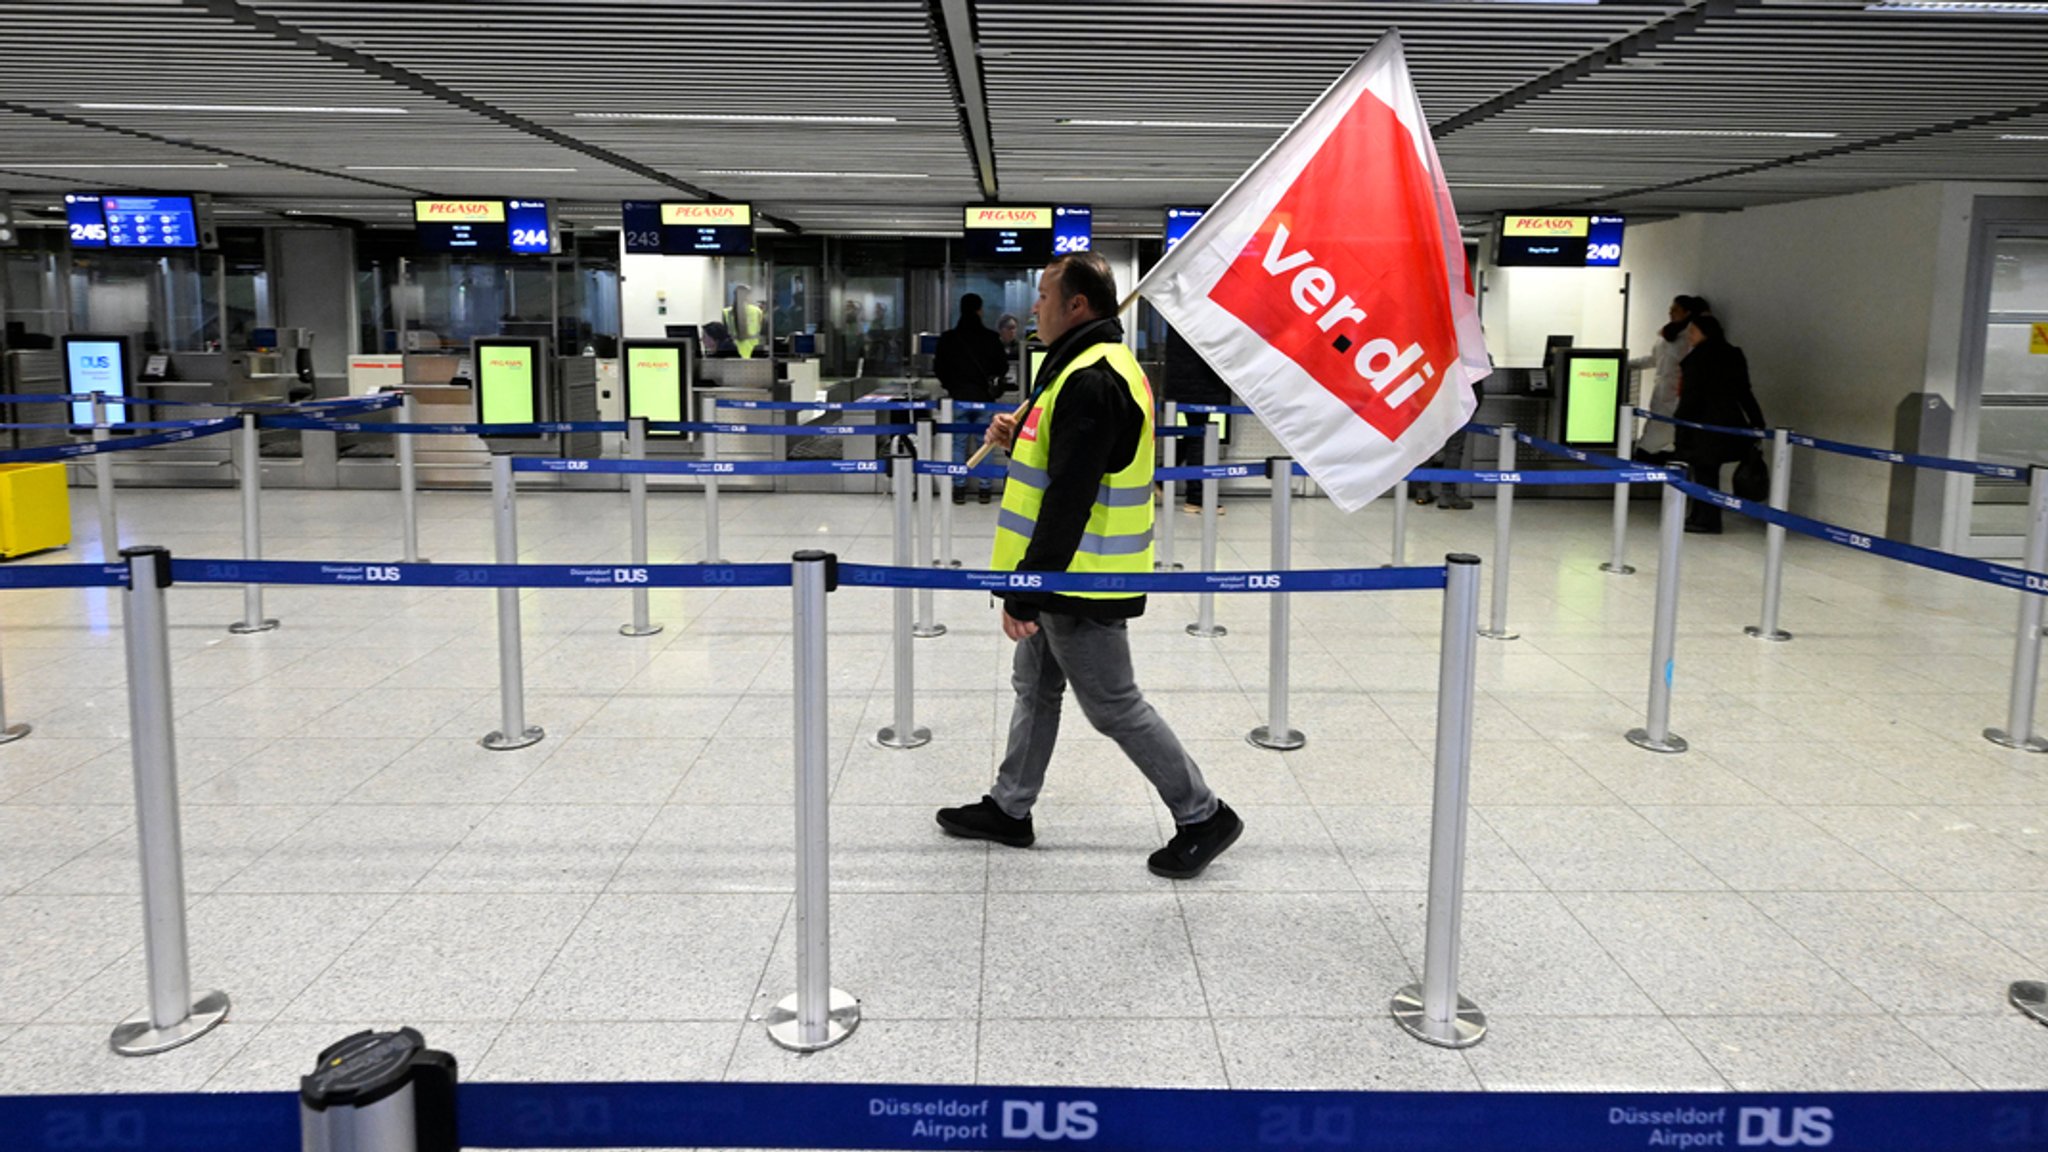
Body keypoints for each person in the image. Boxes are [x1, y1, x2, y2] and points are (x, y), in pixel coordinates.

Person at [936, 251, 1241, 880]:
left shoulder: (1094, 377)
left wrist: (1028, 588)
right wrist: (1017, 431)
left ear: (1078, 306)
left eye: (1045, 296)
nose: (1034, 308)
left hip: (1080, 578)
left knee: (1113, 705)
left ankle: (1203, 814)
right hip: (1061, 573)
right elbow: (1060, 456)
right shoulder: (1074, 366)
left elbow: (1070, 493)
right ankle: (1009, 808)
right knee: (1036, 688)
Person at [1673, 313, 1764, 534]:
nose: (1689, 337)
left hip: (1702, 424)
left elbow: (1691, 396)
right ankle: (1701, 516)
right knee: (1708, 471)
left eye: (1693, 332)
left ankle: (1706, 519)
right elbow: (1744, 391)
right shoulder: (1733, 355)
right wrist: (1757, 421)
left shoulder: (1697, 359)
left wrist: (1679, 421)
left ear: (1705, 333)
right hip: (1729, 422)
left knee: (1704, 471)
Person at [933, 292, 1008, 504]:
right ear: (979, 310)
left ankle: (959, 488)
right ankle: (985, 489)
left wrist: (951, 385)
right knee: (986, 442)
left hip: (958, 398)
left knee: (958, 443)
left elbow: (939, 368)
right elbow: (1001, 367)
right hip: (984, 398)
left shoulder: (949, 338)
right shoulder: (990, 338)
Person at [1163, 325, 1234, 514]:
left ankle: (1162, 478)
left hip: (1188, 380)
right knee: (1198, 436)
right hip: (1199, 380)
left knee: (1194, 432)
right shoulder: (1199, 317)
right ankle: (1196, 497)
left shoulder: (1180, 315)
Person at [1630, 295, 1707, 461]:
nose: (1670, 312)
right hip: (1661, 395)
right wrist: (1627, 364)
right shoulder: (1666, 334)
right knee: (1656, 438)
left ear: (1687, 313)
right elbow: (1654, 359)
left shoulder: (1689, 338)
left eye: (1675, 309)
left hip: (1677, 397)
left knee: (1653, 445)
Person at [723, 283, 765, 359]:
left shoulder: (726, 312)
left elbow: (725, 334)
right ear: (748, 296)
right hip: (753, 351)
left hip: (734, 352)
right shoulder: (757, 311)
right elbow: (762, 330)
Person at [996, 312, 1021, 395]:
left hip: (1016, 388)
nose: (1013, 331)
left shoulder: (1020, 348)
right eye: (1009, 328)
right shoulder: (993, 346)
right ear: (1001, 329)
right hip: (997, 388)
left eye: (1014, 328)